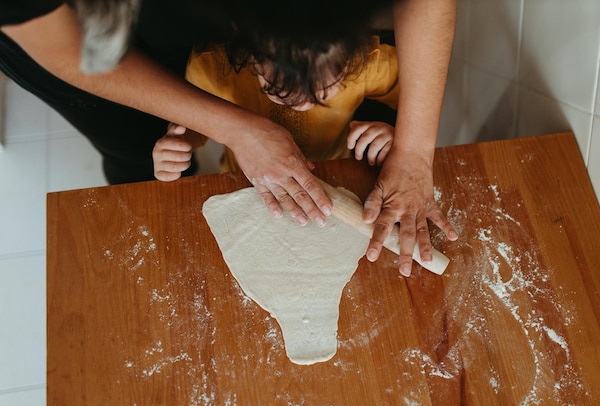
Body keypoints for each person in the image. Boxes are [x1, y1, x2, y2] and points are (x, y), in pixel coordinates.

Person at [0, 0, 458, 277]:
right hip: (76, 41)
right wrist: (226, 131)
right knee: (131, 143)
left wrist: (412, 148)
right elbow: (67, 49)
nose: (302, 104)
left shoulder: (357, 57)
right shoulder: (217, 67)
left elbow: (391, 85)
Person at [152, 35, 398, 211]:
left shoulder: (369, 62)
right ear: (252, 57)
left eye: (322, 92)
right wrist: (180, 143)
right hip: (245, 180)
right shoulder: (212, 67)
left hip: (333, 174)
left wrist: (395, 134)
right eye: (278, 90)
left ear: (348, 62)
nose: (301, 105)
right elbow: (196, 123)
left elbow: (415, 97)